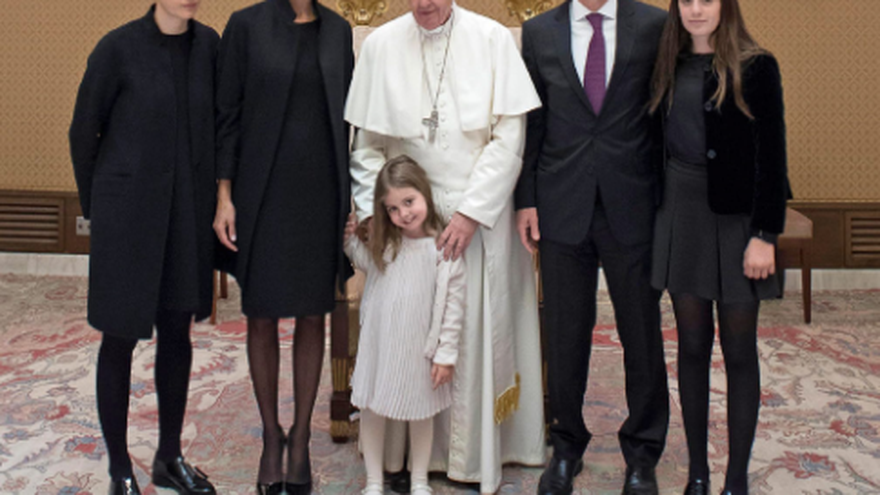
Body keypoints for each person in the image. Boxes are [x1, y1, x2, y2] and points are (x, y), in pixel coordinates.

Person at [345, 0, 546, 492]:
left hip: (479, 216)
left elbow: (509, 137)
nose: (424, 5)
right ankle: (405, 460)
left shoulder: (493, 39)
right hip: (406, 223)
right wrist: (377, 216)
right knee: (408, 341)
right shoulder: (381, 46)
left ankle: (478, 457)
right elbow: (366, 145)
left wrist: (472, 211)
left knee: (469, 333)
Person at [516, 0, 670, 494]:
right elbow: (530, 123)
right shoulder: (539, 32)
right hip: (562, 205)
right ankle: (565, 446)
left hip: (633, 204)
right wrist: (526, 199)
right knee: (563, 335)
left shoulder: (654, 25)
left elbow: (664, 118)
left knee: (641, 335)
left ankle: (642, 453)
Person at [68, 1, 218, 494]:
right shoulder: (117, 48)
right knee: (119, 340)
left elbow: (220, 128)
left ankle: (169, 457)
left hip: (187, 218)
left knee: (178, 335)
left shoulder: (210, 48)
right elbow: (82, 132)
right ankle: (118, 471)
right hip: (126, 221)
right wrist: (101, 211)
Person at [647, 0, 789, 493]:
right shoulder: (666, 63)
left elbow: (773, 156)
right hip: (680, 216)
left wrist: (765, 235)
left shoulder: (756, 65)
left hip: (737, 223)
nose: (696, 9)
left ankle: (735, 479)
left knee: (738, 351)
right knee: (690, 347)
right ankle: (699, 475)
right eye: (687, 0)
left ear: (725, 6)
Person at [211, 0, 353, 493]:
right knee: (263, 313)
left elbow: (349, 121)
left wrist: (352, 200)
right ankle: (272, 435)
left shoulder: (338, 31)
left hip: (321, 194)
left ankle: (302, 439)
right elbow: (226, 115)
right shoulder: (246, 25)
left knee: (315, 313)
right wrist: (224, 195)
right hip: (261, 192)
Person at [344, 156, 465, 495]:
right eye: (393, 209)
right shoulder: (389, 244)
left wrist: (446, 354)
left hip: (418, 350)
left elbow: (454, 307)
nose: (403, 214)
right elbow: (367, 263)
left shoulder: (443, 249)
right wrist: (352, 240)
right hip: (380, 346)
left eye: (408, 202)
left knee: (421, 414)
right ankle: (373, 480)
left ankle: (420, 479)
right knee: (372, 409)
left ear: (424, 193)